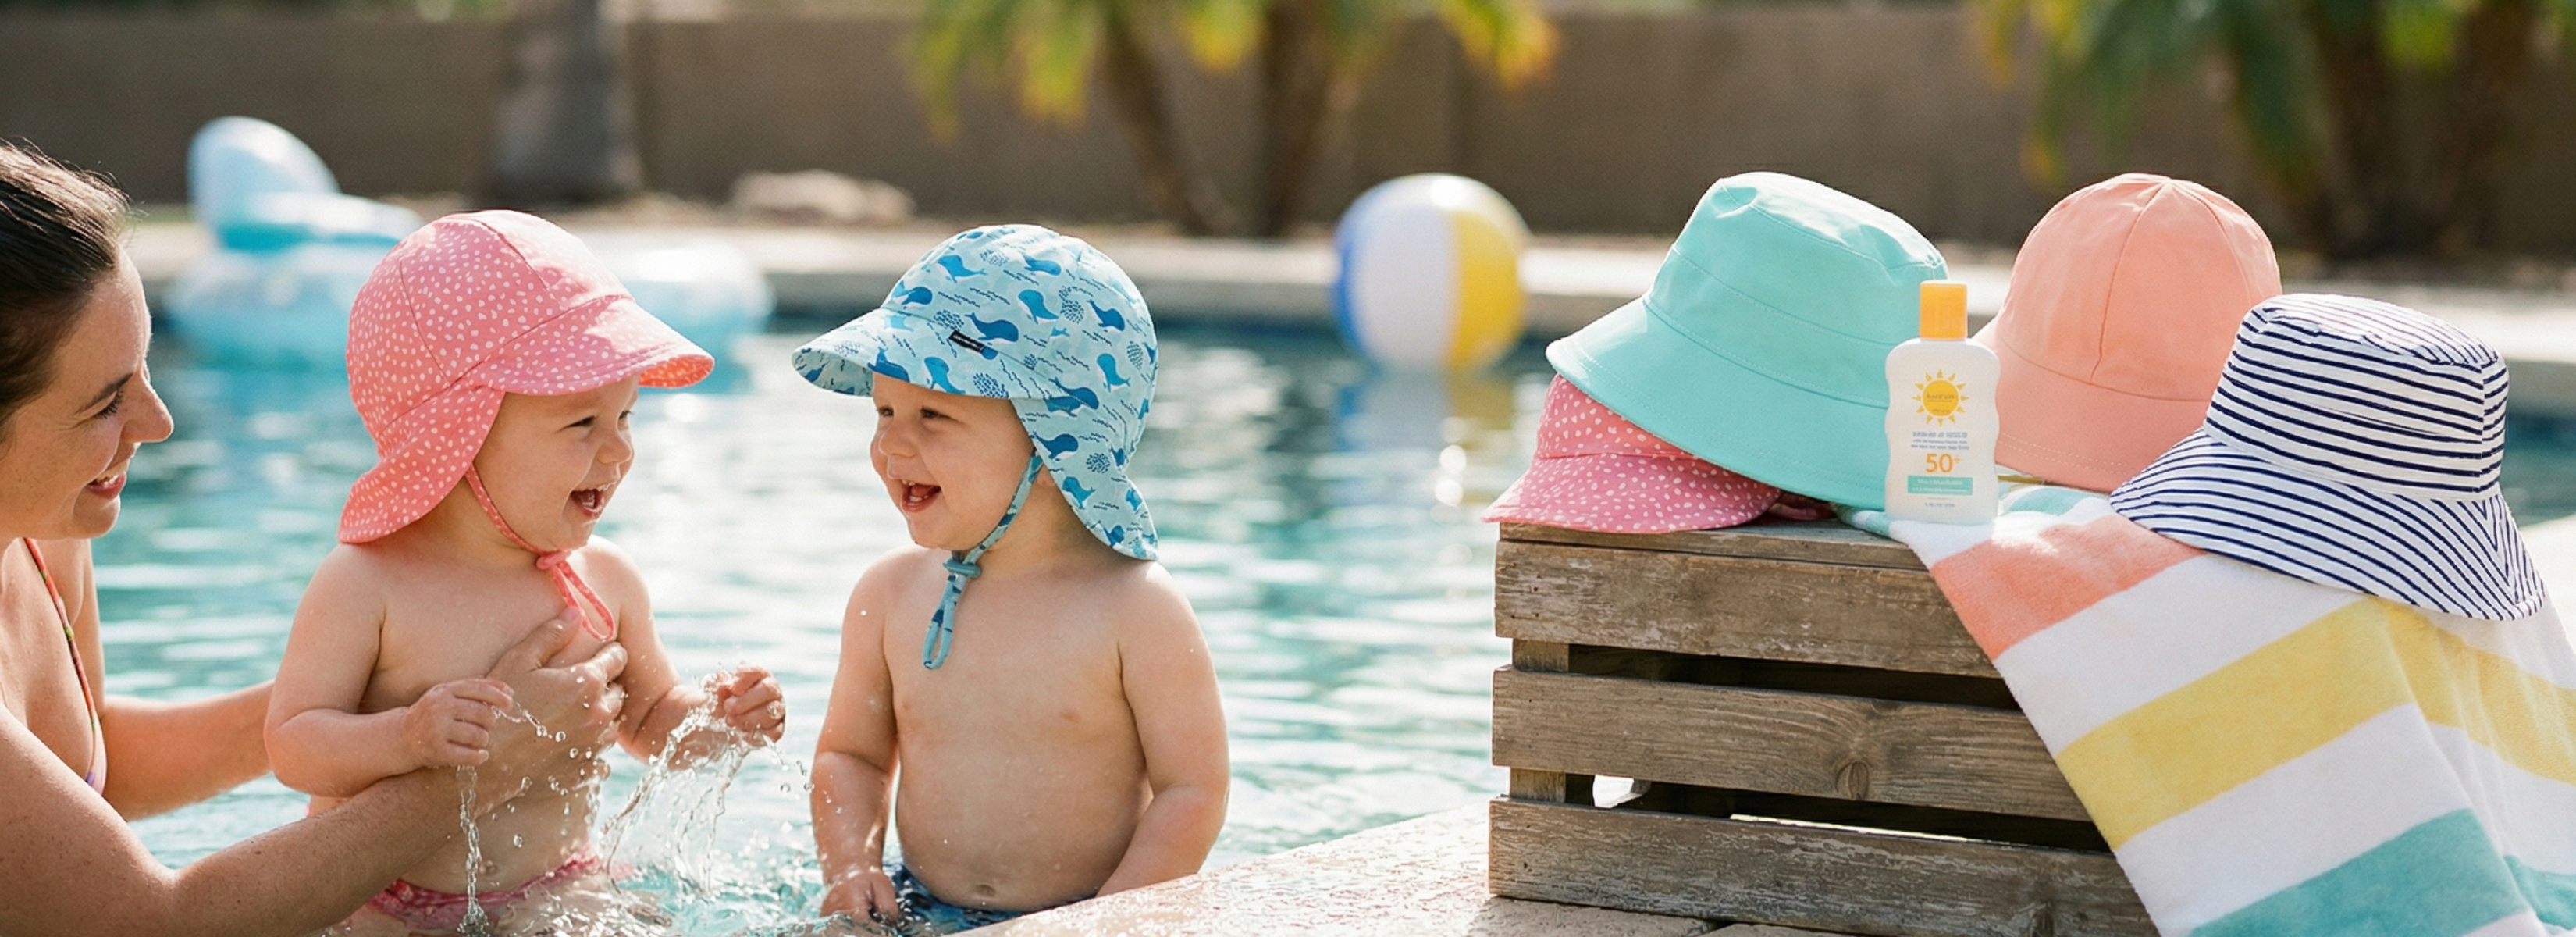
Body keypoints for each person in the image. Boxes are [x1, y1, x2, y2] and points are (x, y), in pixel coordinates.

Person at [0, 144, 629, 936]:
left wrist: (374, 696)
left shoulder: (43, 525)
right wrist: (489, 766)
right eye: (103, 405)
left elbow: (82, 775)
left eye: (145, 370)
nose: (159, 424)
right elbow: (157, 923)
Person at [262, 212, 788, 935]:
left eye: (627, 416)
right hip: (386, 902)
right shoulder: (369, 583)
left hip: (558, 891)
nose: (619, 452)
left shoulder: (607, 580)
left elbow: (646, 720)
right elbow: (294, 744)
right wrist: (405, 738)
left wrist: (717, 722)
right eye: (582, 424)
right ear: (458, 434)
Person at [798, 226, 1228, 932]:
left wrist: (1111, 921)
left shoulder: (1133, 610)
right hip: (916, 910)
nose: (892, 445)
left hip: (1082, 916)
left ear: (1056, 435)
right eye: (884, 411)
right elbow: (851, 755)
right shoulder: (891, 595)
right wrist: (851, 866)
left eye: (933, 415)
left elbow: (1194, 791)